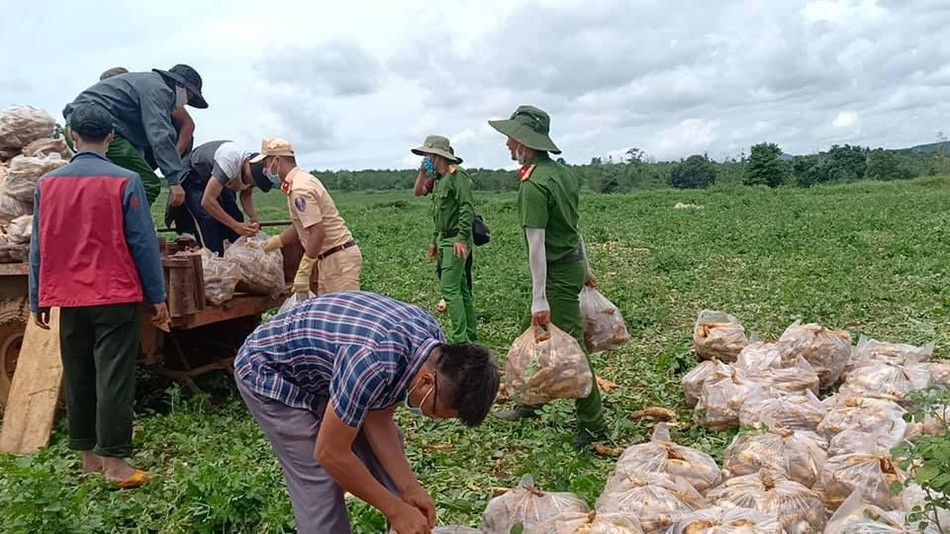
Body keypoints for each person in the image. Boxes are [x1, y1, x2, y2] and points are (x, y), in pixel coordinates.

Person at [233, 291, 499, 533]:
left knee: (388, 459)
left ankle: (406, 525)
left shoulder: (432, 347)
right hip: (269, 369)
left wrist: (410, 488)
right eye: (435, 412)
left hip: (326, 368)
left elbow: (378, 417)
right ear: (427, 381)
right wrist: (394, 509)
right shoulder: (372, 362)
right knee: (320, 480)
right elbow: (329, 453)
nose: (431, 417)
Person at [27, 104, 170, 488]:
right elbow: (142, 243)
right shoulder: (125, 180)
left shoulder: (47, 184)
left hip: (68, 297)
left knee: (78, 375)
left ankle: (89, 458)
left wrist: (37, 297)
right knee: (113, 376)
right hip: (114, 294)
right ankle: (116, 464)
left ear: (72, 135)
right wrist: (157, 294)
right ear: (111, 136)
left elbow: (38, 245)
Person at [488, 105, 607, 450]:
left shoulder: (534, 185)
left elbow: (536, 245)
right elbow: (574, 226)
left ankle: (594, 424)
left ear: (525, 143)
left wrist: (539, 298)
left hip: (556, 271)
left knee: (572, 346)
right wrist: (585, 265)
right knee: (530, 334)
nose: (508, 144)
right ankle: (530, 401)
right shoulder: (563, 174)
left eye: (512, 139)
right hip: (571, 264)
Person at [63, 63, 209, 207]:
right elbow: (159, 132)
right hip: (96, 130)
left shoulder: (147, 83)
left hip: (75, 128)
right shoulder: (158, 90)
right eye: (190, 95)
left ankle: (105, 216)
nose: (188, 100)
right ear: (180, 85)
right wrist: (174, 180)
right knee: (146, 182)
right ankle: (132, 221)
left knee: (115, 182)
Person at [254, 138, 361, 296]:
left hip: (338, 260)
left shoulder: (300, 189)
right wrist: (273, 243)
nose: (264, 169)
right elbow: (301, 226)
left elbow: (317, 231)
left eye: (266, 163)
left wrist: (304, 270)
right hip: (329, 259)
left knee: (343, 309)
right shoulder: (299, 181)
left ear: (277, 160)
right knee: (327, 310)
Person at [410, 135, 477, 343]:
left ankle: (460, 341)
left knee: (450, 290)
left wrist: (462, 238)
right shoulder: (439, 180)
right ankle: (469, 335)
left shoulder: (457, 175)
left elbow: (466, 207)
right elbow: (437, 213)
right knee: (461, 288)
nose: (426, 159)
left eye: (428, 155)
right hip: (443, 239)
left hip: (456, 239)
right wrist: (434, 239)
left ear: (438, 156)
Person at [167, 140, 275, 254]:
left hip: (216, 178)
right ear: (248, 165)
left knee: (235, 215)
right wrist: (235, 226)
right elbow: (207, 202)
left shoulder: (250, 175)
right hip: (194, 174)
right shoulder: (229, 161)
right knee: (207, 220)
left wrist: (254, 219)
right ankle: (212, 256)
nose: (251, 184)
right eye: (252, 180)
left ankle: (233, 256)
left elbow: (246, 195)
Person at [98, 66, 195, 166]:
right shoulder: (113, 107)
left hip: (166, 140)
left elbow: (187, 124)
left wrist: (175, 156)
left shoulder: (154, 94)